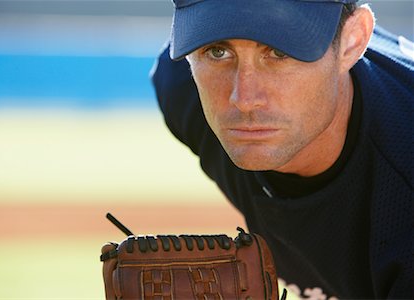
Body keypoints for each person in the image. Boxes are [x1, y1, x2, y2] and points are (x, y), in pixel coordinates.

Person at [151, 0, 413, 298]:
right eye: (217, 51)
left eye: (279, 52)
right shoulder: (183, 92)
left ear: (352, 42)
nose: (244, 98)